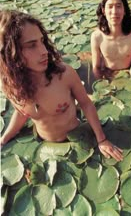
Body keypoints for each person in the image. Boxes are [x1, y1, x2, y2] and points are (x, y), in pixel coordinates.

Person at [0, 10, 123, 161]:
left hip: (76, 139)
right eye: (32, 45)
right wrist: (5, 138)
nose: (44, 51)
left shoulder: (64, 74)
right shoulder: (11, 86)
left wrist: (101, 139)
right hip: (44, 144)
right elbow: (21, 112)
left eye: (42, 41)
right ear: (10, 53)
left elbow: (86, 104)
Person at [91, 0, 131, 79]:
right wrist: (102, 86)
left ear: (124, 10)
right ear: (103, 11)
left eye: (118, 6)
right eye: (110, 7)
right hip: (107, 76)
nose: (114, 12)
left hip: (128, 77)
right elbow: (96, 67)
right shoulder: (97, 37)